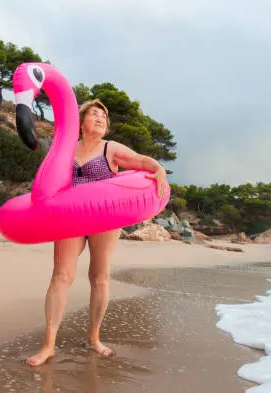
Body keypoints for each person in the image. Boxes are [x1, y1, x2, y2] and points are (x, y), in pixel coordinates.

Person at [25, 99, 169, 365]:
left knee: (99, 277)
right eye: (94, 114)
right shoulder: (66, 148)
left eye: (104, 116)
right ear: (81, 122)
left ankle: (94, 338)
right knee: (61, 276)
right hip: (71, 217)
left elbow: (139, 161)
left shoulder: (110, 148)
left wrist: (158, 169)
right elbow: (48, 179)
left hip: (104, 218)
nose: (100, 118)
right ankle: (48, 345)